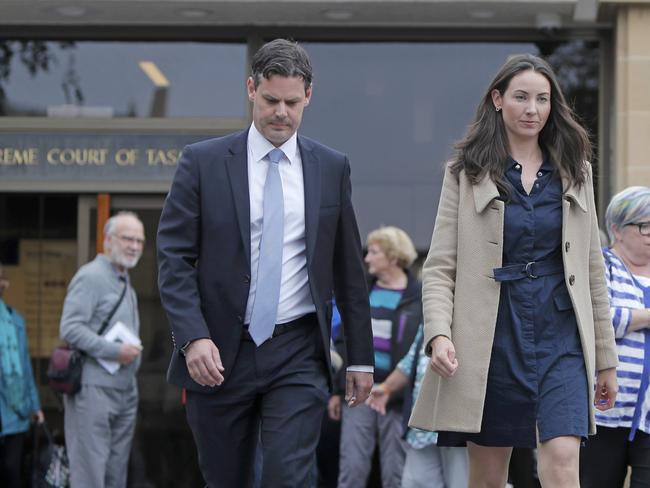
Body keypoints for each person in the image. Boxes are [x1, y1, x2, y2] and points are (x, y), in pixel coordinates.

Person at [156, 38, 374, 488]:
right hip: (217, 352)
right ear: (251, 89)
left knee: (285, 475)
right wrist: (192, 337)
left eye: (292, 103)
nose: (281, 113)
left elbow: (349, 269)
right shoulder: (204, 163)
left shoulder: (331, 168)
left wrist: (361, 359)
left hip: (296, 350)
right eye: (271, 100)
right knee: (225, 478)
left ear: (308, 96)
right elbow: (173, 257)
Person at [408, 53, 619, 488]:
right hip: (492, 333)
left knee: (562, 458)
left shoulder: (575, 170)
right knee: (488, 475)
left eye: (542, 99)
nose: (532, 109)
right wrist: (440, 333)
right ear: (498, 100)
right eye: (521, 97)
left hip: (560, 329)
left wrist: (606, 360)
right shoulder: (465, 171)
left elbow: (592, 268)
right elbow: (441, 265)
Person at [60, 211, 145, 488]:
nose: (134, 246)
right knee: (90, 476)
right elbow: (70, 328)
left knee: (114, 477)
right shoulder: (91, 276)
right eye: (127, 239)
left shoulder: (126, 282)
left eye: (140, 241)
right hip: (92, 391)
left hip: (124, 390)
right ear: (108, 241)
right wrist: (114, 351)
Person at [331, 226, 421, 487]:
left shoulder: (419, 298)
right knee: (352, 469)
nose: (367, 258)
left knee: (397, 473)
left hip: (397, 398)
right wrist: (338, 390)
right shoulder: (360, 294)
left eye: (374, 252)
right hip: (358, 393)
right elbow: (344, 341)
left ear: (393, 257)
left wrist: (395, 388)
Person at [580, 186, 650, 487]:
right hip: (604, 412)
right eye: (645, 225)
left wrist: (635, 319)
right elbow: (599, 318)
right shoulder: (603, 266)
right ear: (616, 230)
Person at [367, 324, 469, 488]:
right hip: (422, 425)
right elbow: (411, 360)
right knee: (416, 482)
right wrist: (387, 388)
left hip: (458, 426)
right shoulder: (428, 320)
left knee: (462, 483)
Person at [0, 261, 44, 488]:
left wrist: (35, 406)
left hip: (15, 408)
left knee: (11, 470)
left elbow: (25, 366)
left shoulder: (15, 320)